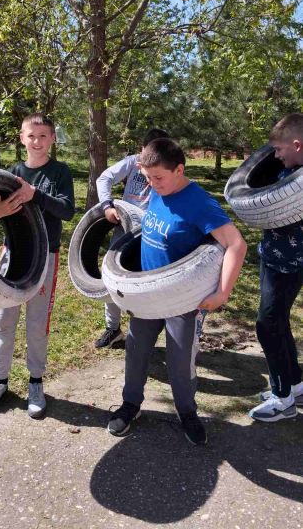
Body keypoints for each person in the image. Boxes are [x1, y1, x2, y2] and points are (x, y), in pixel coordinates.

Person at [107, 138, 247, 445]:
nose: (152, 184)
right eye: (147, 178)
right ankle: (131, 405)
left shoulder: (199, 202)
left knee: (180, 361)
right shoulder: (159, 189)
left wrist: (222, 292)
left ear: (179, 169)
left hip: (182, 300)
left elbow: (236, 244)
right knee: (136, 351)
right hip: (146, 295)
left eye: (158, 178)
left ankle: (187, 413)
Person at [0, 113, 75, 419]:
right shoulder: (11, 172)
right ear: (22, 138)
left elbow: (67, 211)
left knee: (36, 323)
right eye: (31, 136)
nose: (37, 141)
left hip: (45, 257)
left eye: (43, 136)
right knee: (4, 320)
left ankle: (35, 383)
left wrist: (36, 195)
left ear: (53, 139)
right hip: (12, 255)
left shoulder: (59, 172)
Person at [249, 113, 303, 422]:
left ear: (296, 145)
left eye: (280, 150)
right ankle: (294, 384)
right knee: (279, 321)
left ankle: (282, 399)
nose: (276, 155)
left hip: (286, 264)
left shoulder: (297, 181)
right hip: (277, 260)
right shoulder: (289, 173)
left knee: (267, 326)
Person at [94, 128, 169, 349]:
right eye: (149, 154)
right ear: (142, 150)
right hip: (123, 229)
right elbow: (104, 178)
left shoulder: (167, 169)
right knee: (111, 279)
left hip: (150, 235)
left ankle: (142, 334)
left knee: (144, 284)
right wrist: (107, 205)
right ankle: (112, 328)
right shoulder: (131, 162)